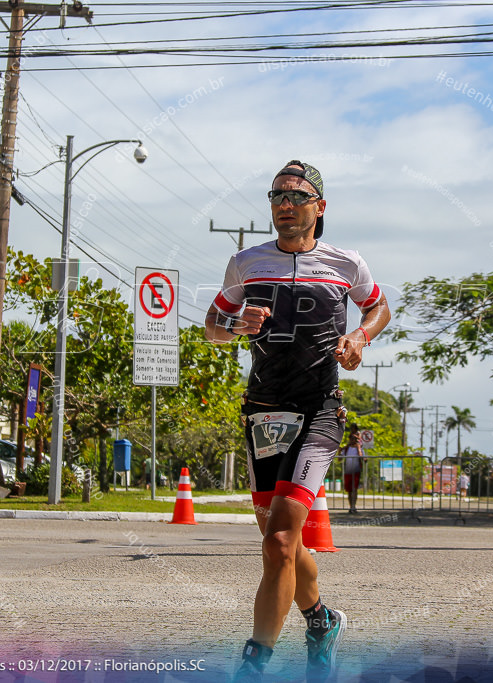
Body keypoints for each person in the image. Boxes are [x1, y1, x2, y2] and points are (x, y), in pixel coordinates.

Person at [205, 160, 391, 681]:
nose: (284, 204)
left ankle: (254, 662)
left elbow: (378, 308)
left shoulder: (345, 264)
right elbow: (211, 328)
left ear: (319, 207)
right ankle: (321, 620)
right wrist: (235, 325)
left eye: (295, 196)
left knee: (283, 541)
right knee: (279, 542)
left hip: (318, 410)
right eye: (276, 196)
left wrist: (359, 337)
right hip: (263, 410)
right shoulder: (246, 263)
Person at [342, 424, 366, 513]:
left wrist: (359, 449)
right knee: (349, 490)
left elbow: (362, 457)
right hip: (348, 471)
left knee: (354, 489)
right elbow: (340, 458)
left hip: (356, 471)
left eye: (355, 439)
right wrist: (341, 450)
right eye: (351, 439)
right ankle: (350, 506)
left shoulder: (359, 448)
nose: (353, 441)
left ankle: (353, 506)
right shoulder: (347, 448)